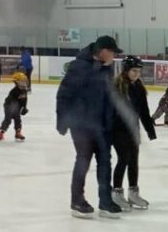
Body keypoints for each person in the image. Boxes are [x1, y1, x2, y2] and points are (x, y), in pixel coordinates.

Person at [56, 35, 122, 219]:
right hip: (82, 125)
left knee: (105, 162)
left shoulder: (106, 69)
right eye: (112, 52)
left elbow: (110, 96)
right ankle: (77, 200)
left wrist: (112, 119)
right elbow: (64, 94)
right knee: (83, 160)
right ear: (102, 51)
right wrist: (62, 121)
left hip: (102, 125)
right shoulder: (79, 66)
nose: (114, 57)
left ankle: (105, 201)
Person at [110, 56, 156, 211]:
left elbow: (144, 111)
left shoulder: (139, 88)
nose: (137, 74)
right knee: (123, 159)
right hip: (118, 130)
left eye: (139, 71)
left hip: (133, 129)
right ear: (126, 70)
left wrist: (150, 129)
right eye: (134, 71)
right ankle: (116, 193)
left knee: (134, 160)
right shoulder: (117, 87)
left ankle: (133, 193)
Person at [0, 72, 29, 141]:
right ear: (16, 82)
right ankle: (1, 132)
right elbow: (9, 102)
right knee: (8, 119)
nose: (24, 82)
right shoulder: (14, 91)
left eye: (24, 81)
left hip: (17, 106)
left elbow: (25, 99)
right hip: (9, 105)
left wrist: (24, 107)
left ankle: (18, 133)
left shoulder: (24, 90)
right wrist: (11, 110)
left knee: (18, 119)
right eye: (22, 81)